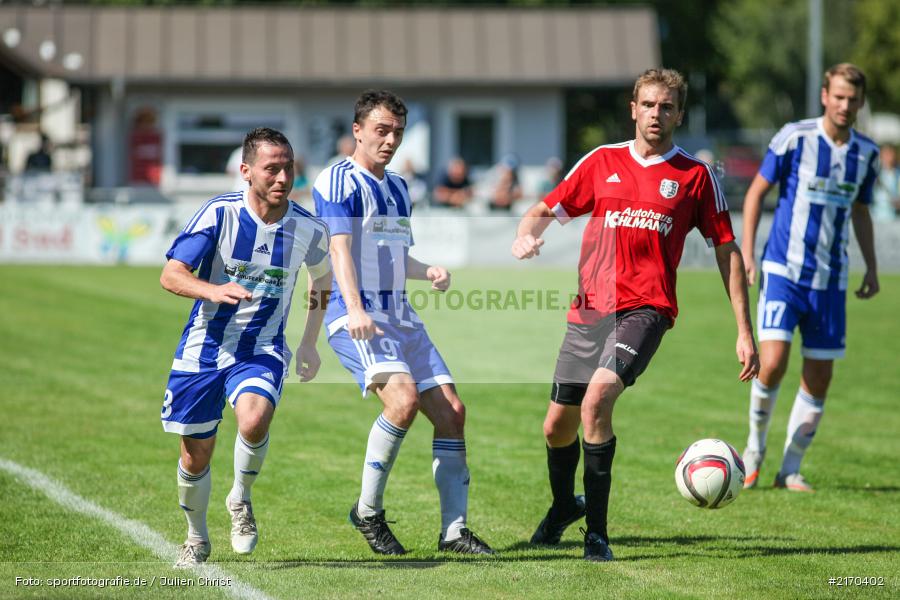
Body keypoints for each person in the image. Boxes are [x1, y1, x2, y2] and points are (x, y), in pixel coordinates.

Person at [511, 68, 759, 562]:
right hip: (588, 311)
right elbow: (544, 207)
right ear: (633, 108)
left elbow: (726, 250)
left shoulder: (695, 176)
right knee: (556, 427)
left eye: (666, 107)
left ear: (679, 114)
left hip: (646, 309)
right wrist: (526, 234)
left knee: (597, 400)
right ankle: (563, 507)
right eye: (648, 104)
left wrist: (743, 331)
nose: (656, 114)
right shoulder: (601, 162)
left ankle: (597, 536)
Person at [313, 90, 494, 556]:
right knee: (403, 400)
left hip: (402, 317)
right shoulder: (338, 180)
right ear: (357, 131)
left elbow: (394, 256)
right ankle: (368, 512)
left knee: (453, 413)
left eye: (397, 132)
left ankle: (454, 532)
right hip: (358, 316)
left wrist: (427, 268)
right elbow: (339, 250)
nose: (391, 140)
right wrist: (354, 309)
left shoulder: (397, 188)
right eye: (381, 130)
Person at [159, 127, 332, 568]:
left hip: (262, 347)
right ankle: (196, 538)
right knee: (195, 457)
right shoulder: (218, 215)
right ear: (246, 171)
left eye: (288, 168)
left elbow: (323, 279)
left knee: (254, 419)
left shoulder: (308, 229)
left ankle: (241, 498)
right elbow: (172, 274)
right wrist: (211, 291)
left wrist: (310, 341)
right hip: (203, 349)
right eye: (271, 168)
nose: (281, 177)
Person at [740, 63, 880, 493]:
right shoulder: (794, 137)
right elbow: (756, 192)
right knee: (775, 361)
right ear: (825, 96)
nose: (844, 105)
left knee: (819, 376)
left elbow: (860, 211)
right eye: (838, 96)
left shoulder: (866, 154)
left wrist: (871, 266)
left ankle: (790, 469)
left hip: (831, 279)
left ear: (859, 103)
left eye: (852, 99)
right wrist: (747, 252)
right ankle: (753, 453)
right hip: (783, 270)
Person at [872, 143, 899, 222]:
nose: (888, 157)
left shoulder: (897, 174)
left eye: (890, 154)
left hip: (894, 218)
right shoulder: (874, 174)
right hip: (875, 217)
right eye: (885, 154)